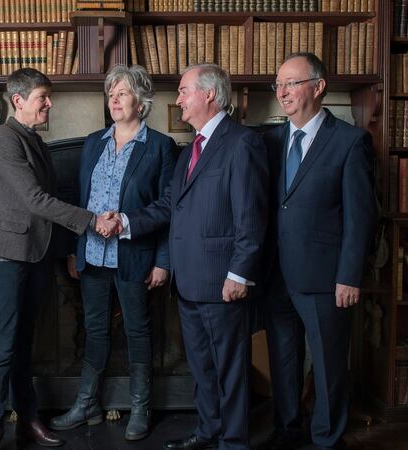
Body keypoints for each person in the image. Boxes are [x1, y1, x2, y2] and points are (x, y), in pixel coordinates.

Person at [110, 63, 269, 450]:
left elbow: (252, 217)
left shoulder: (241, 143)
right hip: (188, 281)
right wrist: (126, 221)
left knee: (230, 370)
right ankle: (209, 431)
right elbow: (169, 205)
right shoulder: (191, 147)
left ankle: (233, 441)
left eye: (183, 91)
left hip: (222, 281)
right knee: (202, 367)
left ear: (209, 94)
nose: (177, 98)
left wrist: (239, 274)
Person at [0, 67, 118, 450]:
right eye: (43, 97)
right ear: (18, 100)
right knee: (2, 349)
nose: (49, 104)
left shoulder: (34, 140)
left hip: (35, 256)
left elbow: (50, 197)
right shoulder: (4, 141)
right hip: (7, 258)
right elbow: (36, 200)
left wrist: (69, 248)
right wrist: (91, 222)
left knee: (24, 346)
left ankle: (28, 423)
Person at [49, 64, 176, 441]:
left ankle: (140, 407)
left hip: (135, 257)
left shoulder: (160, 147)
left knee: (138, 331)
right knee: (95, 330)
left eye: (122, 93)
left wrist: (162, 260)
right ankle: (86, 403)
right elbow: (80, 201)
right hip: (91, 255)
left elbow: (169, 206)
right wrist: (75, 250)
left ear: (142, 100)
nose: (114, 99)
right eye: (111, 94)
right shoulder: (93, 143)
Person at [261, 52, 377, 450]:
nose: (282, 92)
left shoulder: (350, 141)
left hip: (327, 277)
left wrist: (349, 275)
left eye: (291, 83)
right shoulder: (271, 140)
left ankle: (327, 438)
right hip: (277, 274)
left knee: (327, 365)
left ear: (318, 86)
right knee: (284, 360)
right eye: (278, 84)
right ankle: (288, 429)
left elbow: (361, 217)